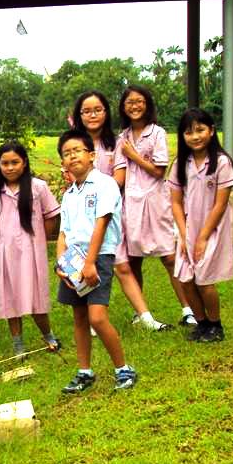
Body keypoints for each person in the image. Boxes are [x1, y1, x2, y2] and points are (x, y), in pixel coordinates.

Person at [72, 90, 171, 332]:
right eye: (87, 111)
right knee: (86, 265)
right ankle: (92, 320)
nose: (92, 115)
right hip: (81, 216)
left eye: (98, 110)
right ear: (79, 115)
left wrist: (96, 193)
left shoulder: (116, 143)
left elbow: (119, 178)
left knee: (123, 265)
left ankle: (145, 317)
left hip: (108, 214)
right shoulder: (74, 143)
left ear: (106, 113)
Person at [55, 129, 137, 393]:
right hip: (73, 260)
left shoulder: (105, 184)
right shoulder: (69, 194)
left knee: (97, 318)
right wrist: (61, 264)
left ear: (91, 155)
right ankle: (84, 371)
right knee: (79, 317)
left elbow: (101, 224)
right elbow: (63, 233)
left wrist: (90, 264)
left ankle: (123, 368)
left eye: (77, 150)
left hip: (98, 257)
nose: (72, 156)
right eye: (66, 154)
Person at [114, 85, 194, 326]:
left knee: (169, 257)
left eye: (139, 101)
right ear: (123, 107)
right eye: (129, 103)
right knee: (133, 258)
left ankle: (188, 309)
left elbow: (159, 171)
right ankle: (141, 312)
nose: (135, 106)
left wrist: (134, 155)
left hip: (156, 202)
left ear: (147, 104)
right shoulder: (122, 137)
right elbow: (121, 173)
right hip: (131, 204)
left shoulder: (157, 133)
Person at [0, 141, 62, 356]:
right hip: (7, 254)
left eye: (15, 162)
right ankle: (18, 344)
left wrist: (41, 241)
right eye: (5, 163)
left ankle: (48, 336)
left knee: (36, 296)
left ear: (24, 162)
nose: (10, 168)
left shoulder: (38, 187)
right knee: (11, 298)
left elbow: (50, 216)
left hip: (33, 252)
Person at [169, 108, 233, 343]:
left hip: (211, 228)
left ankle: (216, 325)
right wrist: (184, 233)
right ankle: (202, 323)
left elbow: (220, 204)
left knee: (204, 279)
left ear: (211, 131)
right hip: (187, 228)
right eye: (188, 132)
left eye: (200, 130)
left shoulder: (221, 162)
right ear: (182, 136)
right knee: (185, 278)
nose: (195, 136)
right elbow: (175, 202)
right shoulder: (181, 163)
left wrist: (203, 237)